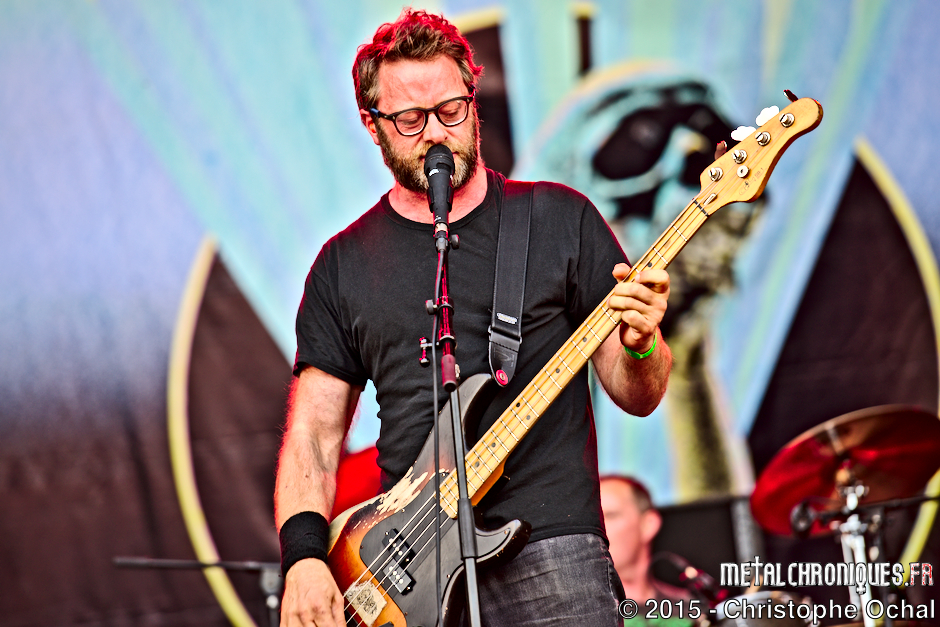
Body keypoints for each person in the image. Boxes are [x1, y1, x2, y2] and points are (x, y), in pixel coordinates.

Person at [274, 9, 672, 627]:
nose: (437, 133)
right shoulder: (342, 266)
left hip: (554, 550)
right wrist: (303, 559)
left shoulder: (559, 219)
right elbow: (314, 437)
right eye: (410, 119)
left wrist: (642, 344)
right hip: (406, 568)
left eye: (452, 109)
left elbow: (637, 394)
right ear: (372, 126)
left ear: (473, 100)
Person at [600, 476, 691, 610]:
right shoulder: (578, 613)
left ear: (648, 525)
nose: (598, 528)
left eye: (611, 515)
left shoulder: (688, 609)